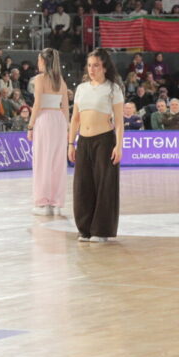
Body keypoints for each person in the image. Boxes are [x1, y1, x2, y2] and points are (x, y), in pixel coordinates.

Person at [68, 49, 124, 243]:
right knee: (82, 185)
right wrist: (71, 143)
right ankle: (85, 228)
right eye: (89, 65)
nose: (92, 69)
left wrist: (119, 145)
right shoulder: (81, 89)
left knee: (105, 186)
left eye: (96, 65)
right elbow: (75, 119)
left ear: (105, 67)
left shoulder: (113, 89)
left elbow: (118, 121)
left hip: (104, 140)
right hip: (83, 141)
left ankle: (101, 230)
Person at [28, 48, 69, 216]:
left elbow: (37, 103)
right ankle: (56, 202)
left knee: (42, 160)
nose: (38, 63)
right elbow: (65, 107)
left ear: (44, 61)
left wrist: (30, 126)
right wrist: (67, 127)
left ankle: (42, 202)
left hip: (44, 119)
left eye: (39, 60)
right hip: (59, 120)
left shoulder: (39, 79)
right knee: (57, 162)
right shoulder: (61, 81)